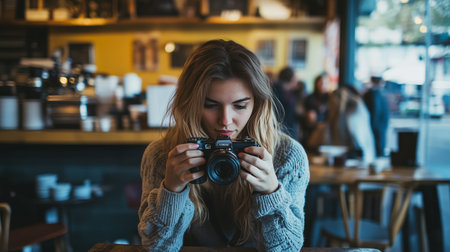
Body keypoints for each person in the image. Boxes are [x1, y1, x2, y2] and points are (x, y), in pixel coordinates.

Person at [138, 40, 310, 251]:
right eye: (210, 105)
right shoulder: (162, 155)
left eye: (239, 105)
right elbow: (155, 248)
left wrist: (270, 193)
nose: (225, 120)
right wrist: (172, 190)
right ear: (190, 103)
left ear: (257, 104)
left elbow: (287, 249)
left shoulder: (287, 155)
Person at [363, 76, 390, 157]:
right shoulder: (376, 94)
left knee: (377, 150)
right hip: (378, 128)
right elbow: (375, 111)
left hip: (377, 128)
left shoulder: (374, 94)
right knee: (378, 150)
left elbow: (375, 111)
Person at [272, 66, 301, 140]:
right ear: (291, 78)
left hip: (286, 128)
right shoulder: (278, 90)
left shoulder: (290, 92)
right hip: (280, 128)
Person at [303, 73, 330, 151]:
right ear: (316, 83)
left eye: (325, 82)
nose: (323, 85)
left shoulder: (331, 99)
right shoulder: (310, 98)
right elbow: (309, 118)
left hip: (328, 132)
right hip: (313, 131)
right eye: (321, 82)